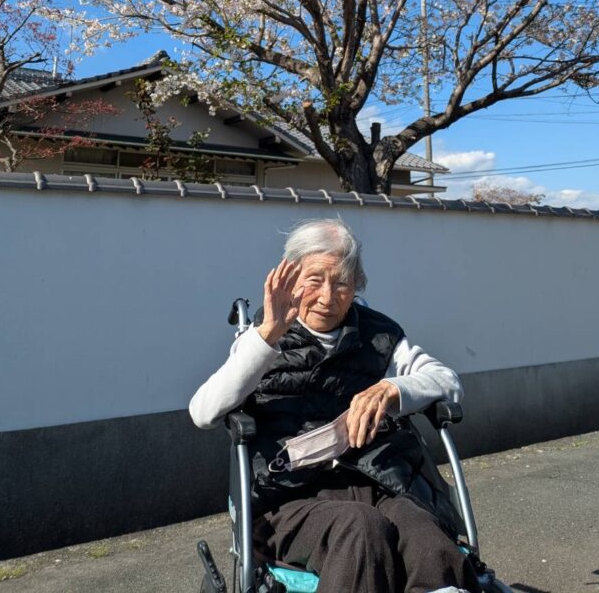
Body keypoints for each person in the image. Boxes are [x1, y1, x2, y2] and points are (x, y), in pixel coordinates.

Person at [189, 218, 480, 593]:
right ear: (290, 277)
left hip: (377, 482)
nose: (328, 297)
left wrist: (393, 388)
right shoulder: (260, 338)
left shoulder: (380, 335)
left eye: (341, 281)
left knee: (426, 535)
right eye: (314, 279)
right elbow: (203, 412)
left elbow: (447, 382)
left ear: (357, 284)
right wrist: (267, 337)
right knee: (360, 529)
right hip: (288, 499)